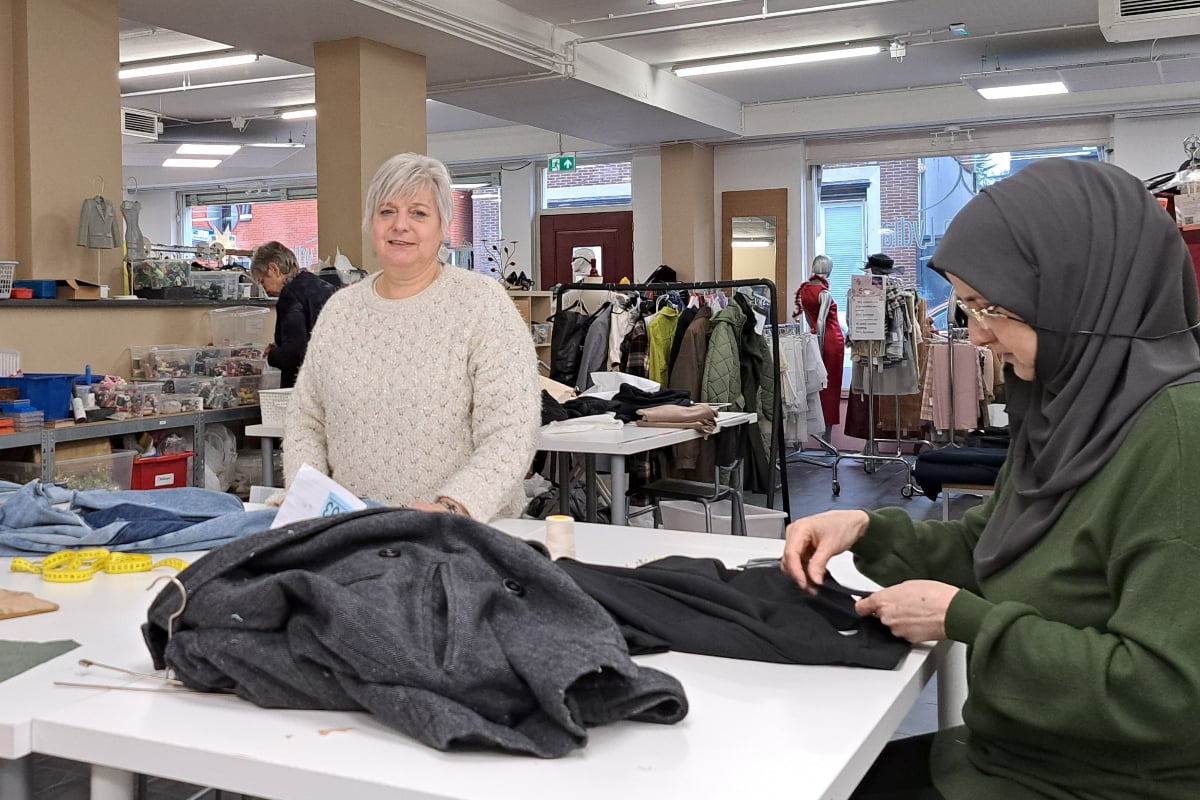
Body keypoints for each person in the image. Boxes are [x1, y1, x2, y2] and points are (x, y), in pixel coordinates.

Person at [781, 158, 1200, 800]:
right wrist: (865, 528)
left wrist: (967, 621)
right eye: (969, 307)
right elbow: (994, 549)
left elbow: (1166, 694)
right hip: (1010, 757)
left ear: (1077, 291)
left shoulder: (1176, 440)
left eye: (993, 308)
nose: (976, 336)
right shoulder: (1069, 408)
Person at [283, 152, 540, 520]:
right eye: (387, 211)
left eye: (418, 213)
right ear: (371, 223)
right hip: (352, 535)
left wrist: (455, 506)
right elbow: (306, 420)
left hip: (463, 535)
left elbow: (512, 430)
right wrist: (306, 498)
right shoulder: (340, 311)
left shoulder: (482, 305)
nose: (400, 225)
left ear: (443, 227)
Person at [249, 241, 336, 389]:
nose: (265, 289)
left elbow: (294, 355)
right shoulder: (326, 287)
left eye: (262, 281)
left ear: (274, 269)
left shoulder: (290, 296)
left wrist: (273, 355)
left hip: (306, 389)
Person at [793, 254, 845, 430]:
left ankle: (819, 433)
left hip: (815, 337)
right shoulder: (824, 292)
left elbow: (810, 319)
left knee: (816, 385)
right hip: (829, 341)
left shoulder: (805, 291)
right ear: (828, 269)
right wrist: (821, 349)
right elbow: (822, 321)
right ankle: (827, 434)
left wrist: (813, 339)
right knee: (829, 387)